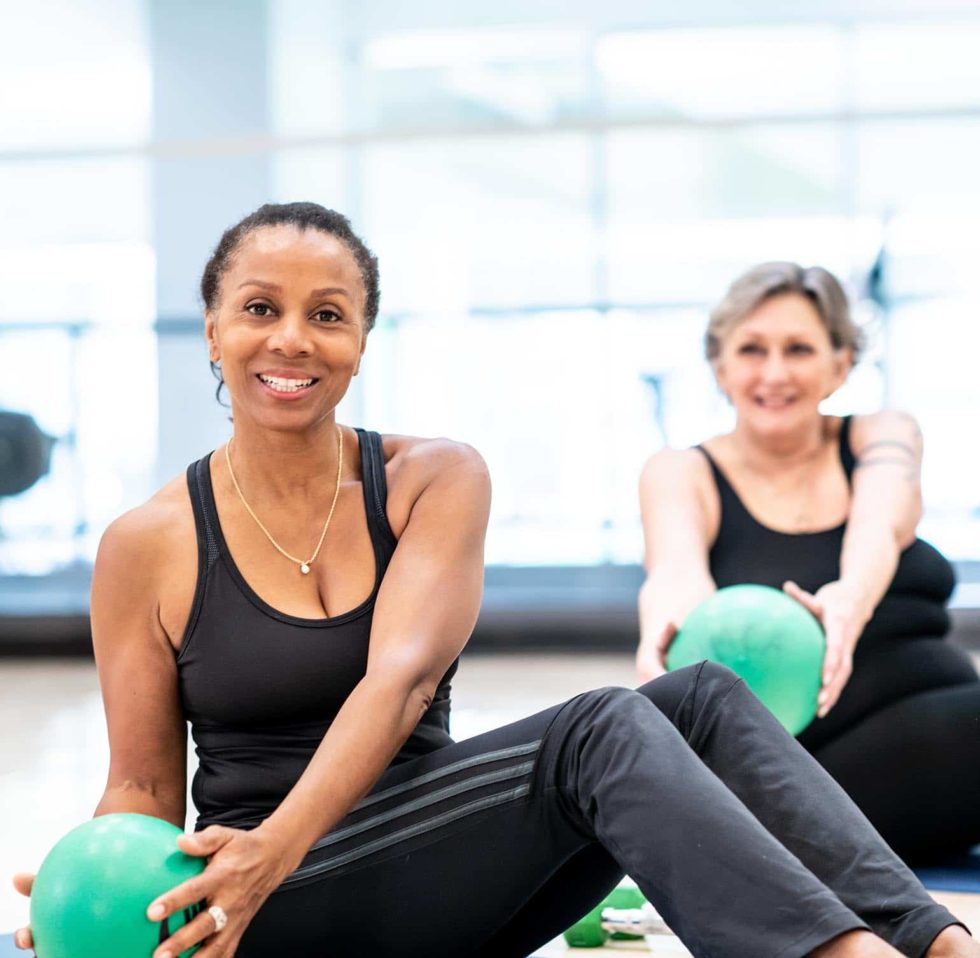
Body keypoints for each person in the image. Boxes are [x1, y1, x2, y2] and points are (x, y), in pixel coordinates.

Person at [12, 209, 978, 958]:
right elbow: (141, 782)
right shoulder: (148, 541)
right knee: (606, 725)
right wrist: (98, 893)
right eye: (261, 308)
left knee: (702, 699)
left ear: (361, 338)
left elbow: (397, 688)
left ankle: (933, 938)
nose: (293, 340)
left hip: (438, 864)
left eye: (328, 315)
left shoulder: (434, 477)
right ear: (214, 327)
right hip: (269, 893)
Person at [636, 261, 980, 866]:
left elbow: (879, 522)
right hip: (810, 779)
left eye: (798, 348)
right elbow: (675, 573)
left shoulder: (881, 435)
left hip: (942, 736)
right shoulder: (682, 471)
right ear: (719, 366)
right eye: (751, 350)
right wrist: (669, 640)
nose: (774, 373)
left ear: (840, 363)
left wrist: (850, 597)